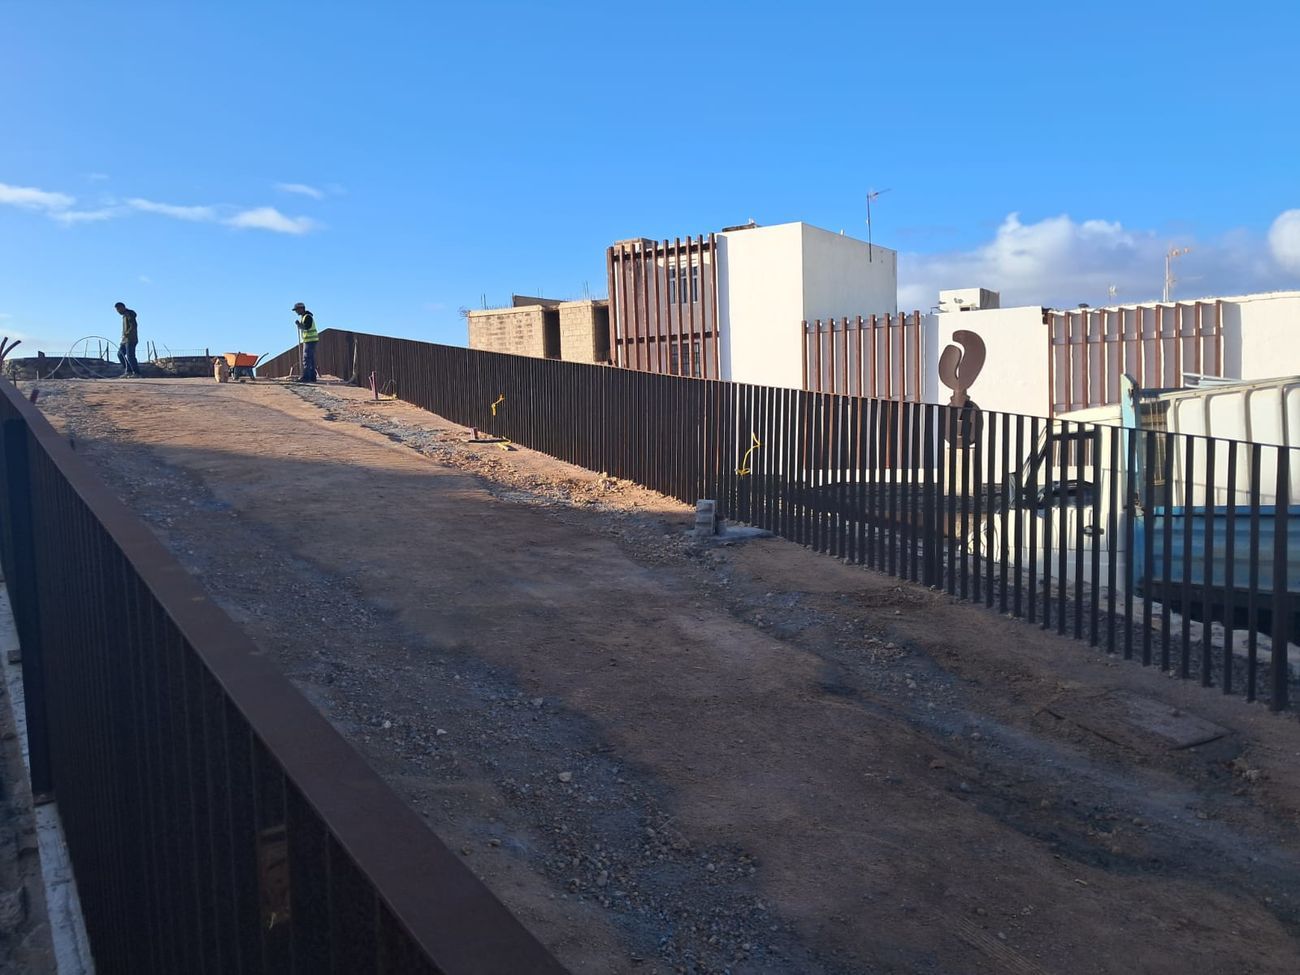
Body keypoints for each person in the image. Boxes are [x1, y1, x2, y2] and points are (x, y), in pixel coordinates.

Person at [293, 301, 319, 383]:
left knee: (307, 359)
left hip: (310, 340)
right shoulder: (305, 317)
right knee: (310, 359)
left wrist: (299, 325)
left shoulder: (307, 317)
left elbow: (306, 327)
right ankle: (312, 377)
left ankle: (306, 377)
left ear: (302, 309)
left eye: (297, 309)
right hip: (309, 340)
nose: (296, 311)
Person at [114, 302, 140, 377]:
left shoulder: (129, 314)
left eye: (118, 309)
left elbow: (133, 325)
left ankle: (137, 373)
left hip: (131, 339)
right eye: (117, 310)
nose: (118, 311)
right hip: (124, 340)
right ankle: (128, 371)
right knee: (120, 354)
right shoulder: (124, 316)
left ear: (122, 307)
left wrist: (127, 333)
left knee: (130, 356)